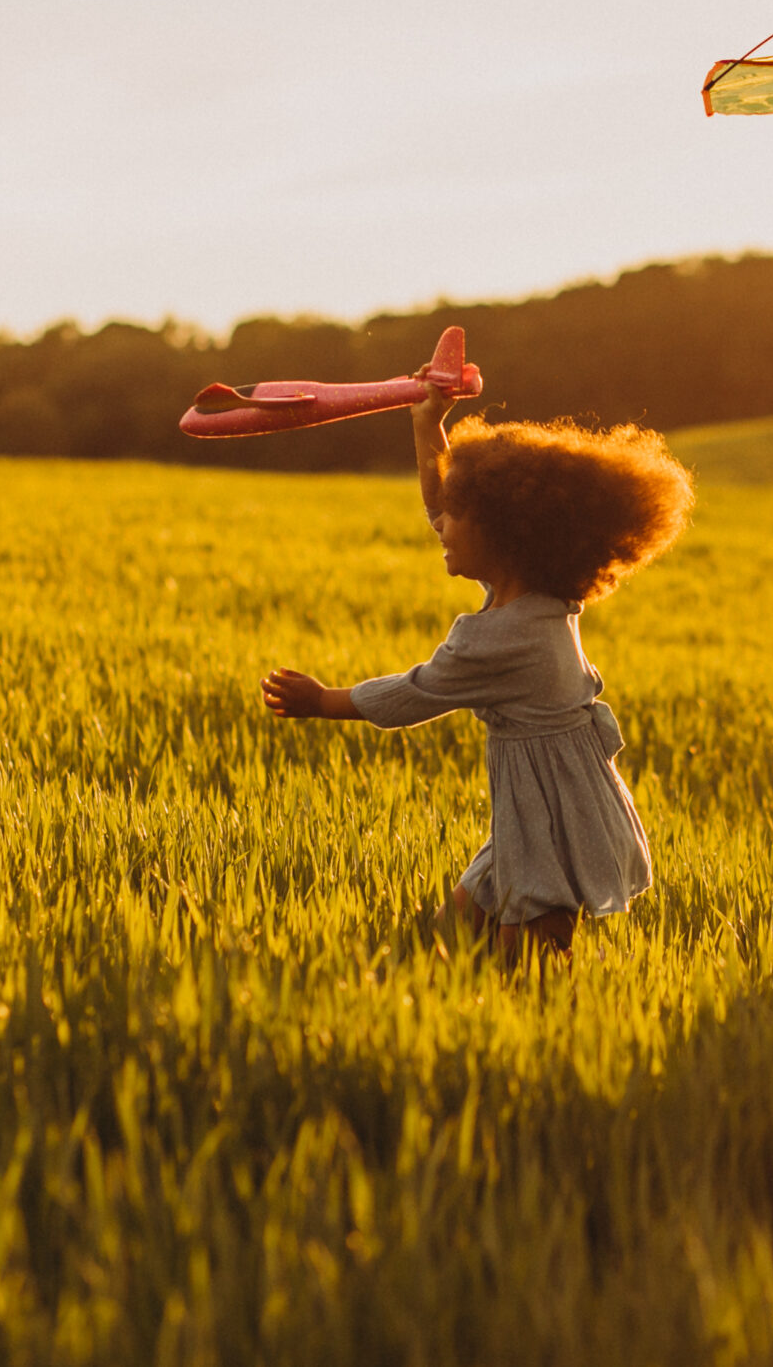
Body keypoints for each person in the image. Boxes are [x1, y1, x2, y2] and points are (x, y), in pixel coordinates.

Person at [262, 374, 693, 966]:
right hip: (539, 808)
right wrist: (428, 427)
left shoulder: (497, 641)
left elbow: (415, 694)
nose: (438, 523)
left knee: (526, 969)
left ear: (504, 533)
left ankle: (540, 1050)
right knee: (447, 941)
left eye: (457, 514)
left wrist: (322, 701)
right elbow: (445, 500)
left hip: (554, 822)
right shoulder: (540, 593)